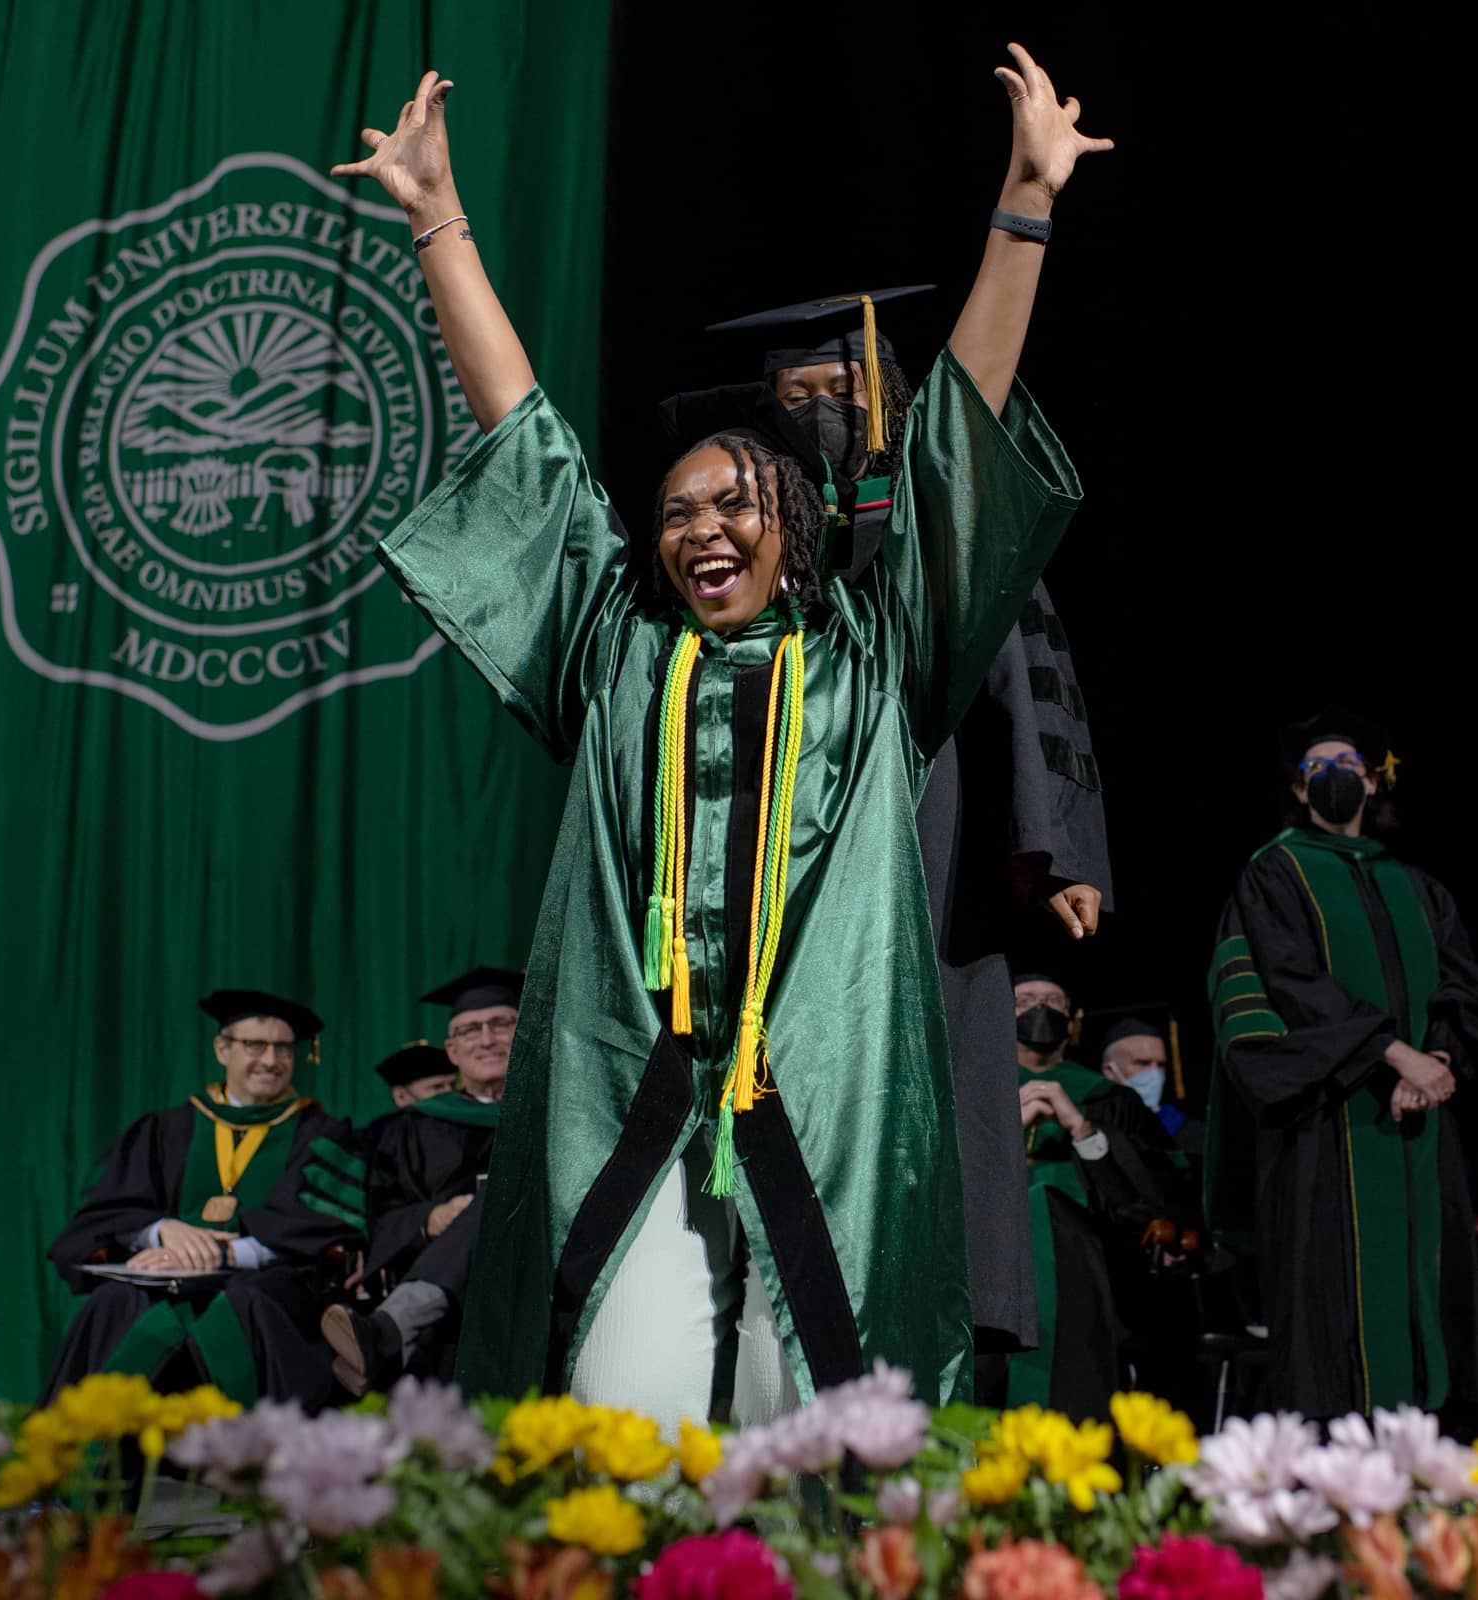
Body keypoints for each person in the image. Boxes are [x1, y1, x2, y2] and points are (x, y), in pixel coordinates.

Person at [333, 46, 1107, 1429]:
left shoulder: (876, 662)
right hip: (635, 1108)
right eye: (680, 509)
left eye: (738, 503)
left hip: (828, 1112)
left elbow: (958, 446)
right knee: (623, 1434)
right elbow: (525, 441)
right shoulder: (614, 652)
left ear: (794, 529)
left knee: (817, 1465)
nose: (704, 526)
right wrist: (437, 221)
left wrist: (1025, 208)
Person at [704, 291, 1114, 1370]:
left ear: (885, 395)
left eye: (840, 391)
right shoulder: (737, 519)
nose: (820, 411)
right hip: (770, 814)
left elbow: (1029, 666)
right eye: (795, 396)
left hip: (925, 808)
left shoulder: (939, 504)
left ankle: (935, 1311)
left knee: (930, 1040)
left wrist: (1060, 844)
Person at [1202, 710, 1478, 1418]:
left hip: (1421, 1131)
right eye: (1317, 769)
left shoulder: (1421, 889)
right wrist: (1392, 1057)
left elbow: (1463, 989)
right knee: (1330, 1303)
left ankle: (1436, 1465)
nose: (1334, 777)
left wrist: (1437, 1064)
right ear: (1301, 792)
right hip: (1325, 1125)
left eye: (1347, 765)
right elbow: (1287, 982)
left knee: (1431, 1294)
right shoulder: (1274, 873)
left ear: (1372, 781)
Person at [41, 991, 363, 1409]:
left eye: (283, 1048)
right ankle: (96, 1458)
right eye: (255, 1045)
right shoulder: (165, 1130)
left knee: (249, 1304)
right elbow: (106, 1212)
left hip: (266, 1283)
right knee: (113, 1303)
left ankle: (247, 1463)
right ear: (222, 1049)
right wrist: (160, 1233)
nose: (270, 1060)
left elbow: (320, 1225)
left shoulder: (319, 1134)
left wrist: (223, 1255)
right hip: (164, 1277)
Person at [324, 966, 520, 1394]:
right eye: (470, 1030)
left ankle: (392, 1330)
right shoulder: (411, 1127)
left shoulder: (557, 1114)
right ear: (451, 1051)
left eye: (502, 1024)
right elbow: (382, 1215)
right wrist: (429, 1219)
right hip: (454, 1301)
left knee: (501, 1196)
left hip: (530, 1277)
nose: (486, 1039)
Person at [1008, 974, 1175, 1417]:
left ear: (1072, 1019)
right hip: (995, 1272)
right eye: (1024, 1000)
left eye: (1052, 1001)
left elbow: (1145, 1200)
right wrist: (1003, 1134)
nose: (1038, 1009)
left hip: (1091, 1269)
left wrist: (1081, 1129)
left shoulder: (1110, 1102)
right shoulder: (968, 1090)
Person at [359, 1040, 459, 1148]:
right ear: (401, 1096)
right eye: (437, 1087)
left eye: (453, 1086)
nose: (450, 1093)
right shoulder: (380, 1138)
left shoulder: (467, 1127)